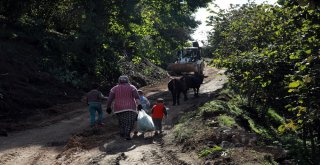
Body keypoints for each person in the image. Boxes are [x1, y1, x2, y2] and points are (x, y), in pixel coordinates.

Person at [106, 75, 142, 140]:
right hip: (130, 108)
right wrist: (139, 104)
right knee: (130, 121)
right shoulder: (132, 87)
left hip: (118, 108)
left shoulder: (114, 89)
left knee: (122, 121)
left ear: (119, 81)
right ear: (127, 80)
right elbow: (136, 97)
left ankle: (122, 133)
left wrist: (108, 107)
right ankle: (127, 134)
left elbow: (110, 99)